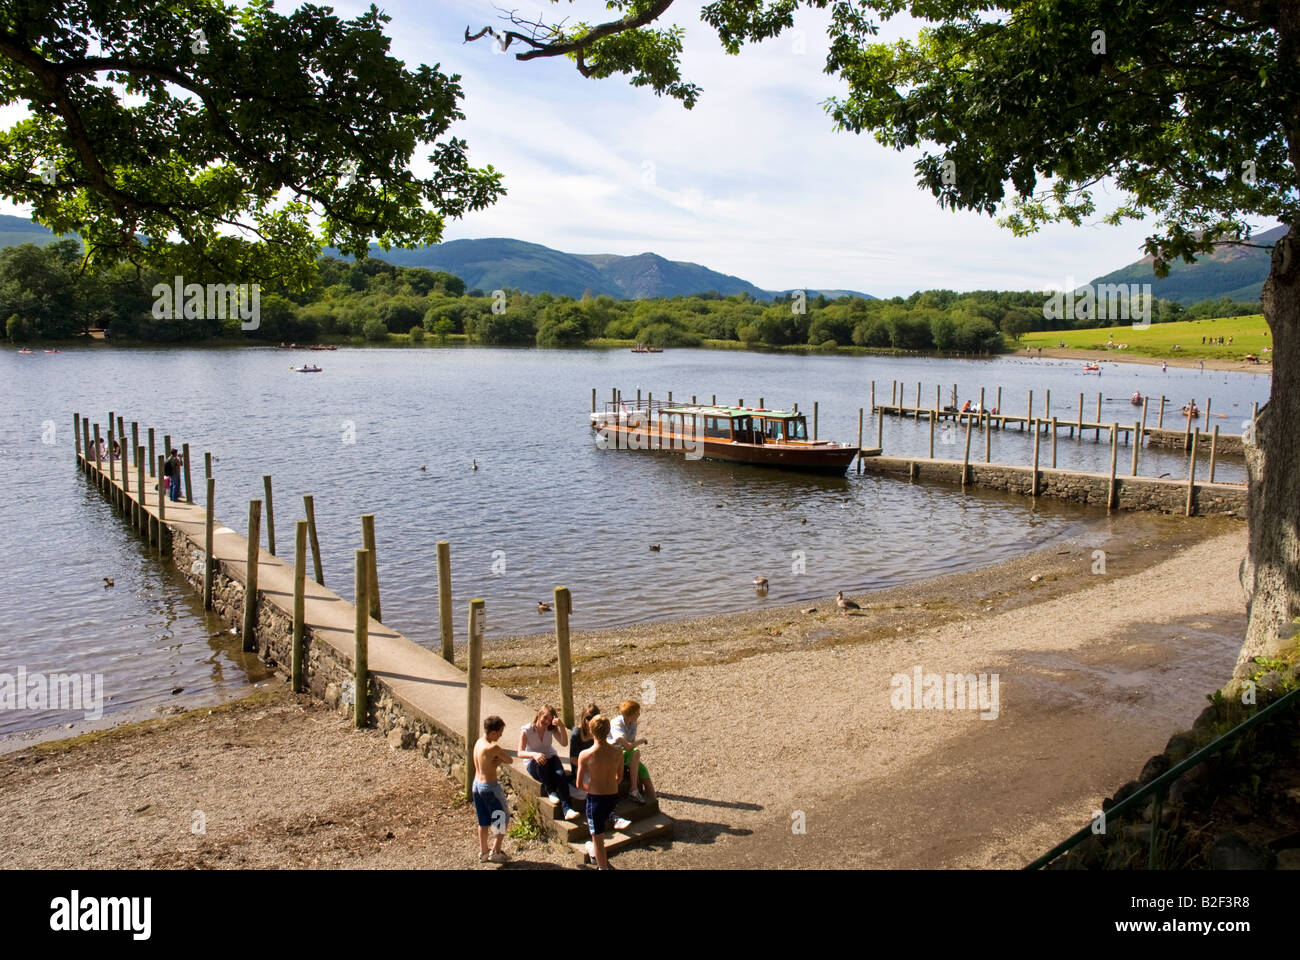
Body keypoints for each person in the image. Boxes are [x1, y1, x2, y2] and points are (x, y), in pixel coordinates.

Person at [519, 705, 581, 821]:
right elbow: (520, 752)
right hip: (534, 762)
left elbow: (564, 743)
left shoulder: (550, 728)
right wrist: (534, 754)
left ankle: (567, 809)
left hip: (550, 757)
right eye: (545, 717)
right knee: (542, 763)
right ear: (539, 714)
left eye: (549, 719)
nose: (546, 721)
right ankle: (550, 790)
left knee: (560, 775)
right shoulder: (527, 730)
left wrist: (561, 726)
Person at [576, 714, 622, 870]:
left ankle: (603, 867)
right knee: (598, 834)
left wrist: (594, 787)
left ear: (591, 731)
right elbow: (619, 777)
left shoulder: (586, 754)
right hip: (613, 796)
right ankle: (593, 851)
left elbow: (579, 783)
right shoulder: (618, 752)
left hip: (595, 799)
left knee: (598, 838)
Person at [473, 715, 513, 863]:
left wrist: (495, 761)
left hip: (476, 785)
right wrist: (500, 759)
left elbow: (486, 763)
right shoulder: (493, 747)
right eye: (500, 732)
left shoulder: (479, 743)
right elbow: (510, 759)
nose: (501, 735)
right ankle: (496, 850)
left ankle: (484, 851)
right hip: (489, 787)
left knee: (483, 821)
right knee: (501, 818)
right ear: (493, 733)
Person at [609, 700, 652, 803]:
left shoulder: (633, 724)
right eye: (637, 712)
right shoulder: (617, 724)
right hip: (613, 754)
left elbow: (630, 744)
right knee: (636, 752)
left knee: (644, 773)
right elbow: (628, 747)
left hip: (623, 753)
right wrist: (641, 741)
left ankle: (652, 799)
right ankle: (633, 790)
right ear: (631, 714)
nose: (639, 714)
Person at [569, 702, 602, 785]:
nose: (591, 721)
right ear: (583, 718)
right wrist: (588, 767)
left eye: (594, 718)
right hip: (581, 766)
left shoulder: (598, 731)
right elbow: (573, 759)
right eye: (588, 718)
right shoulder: (576, 734)